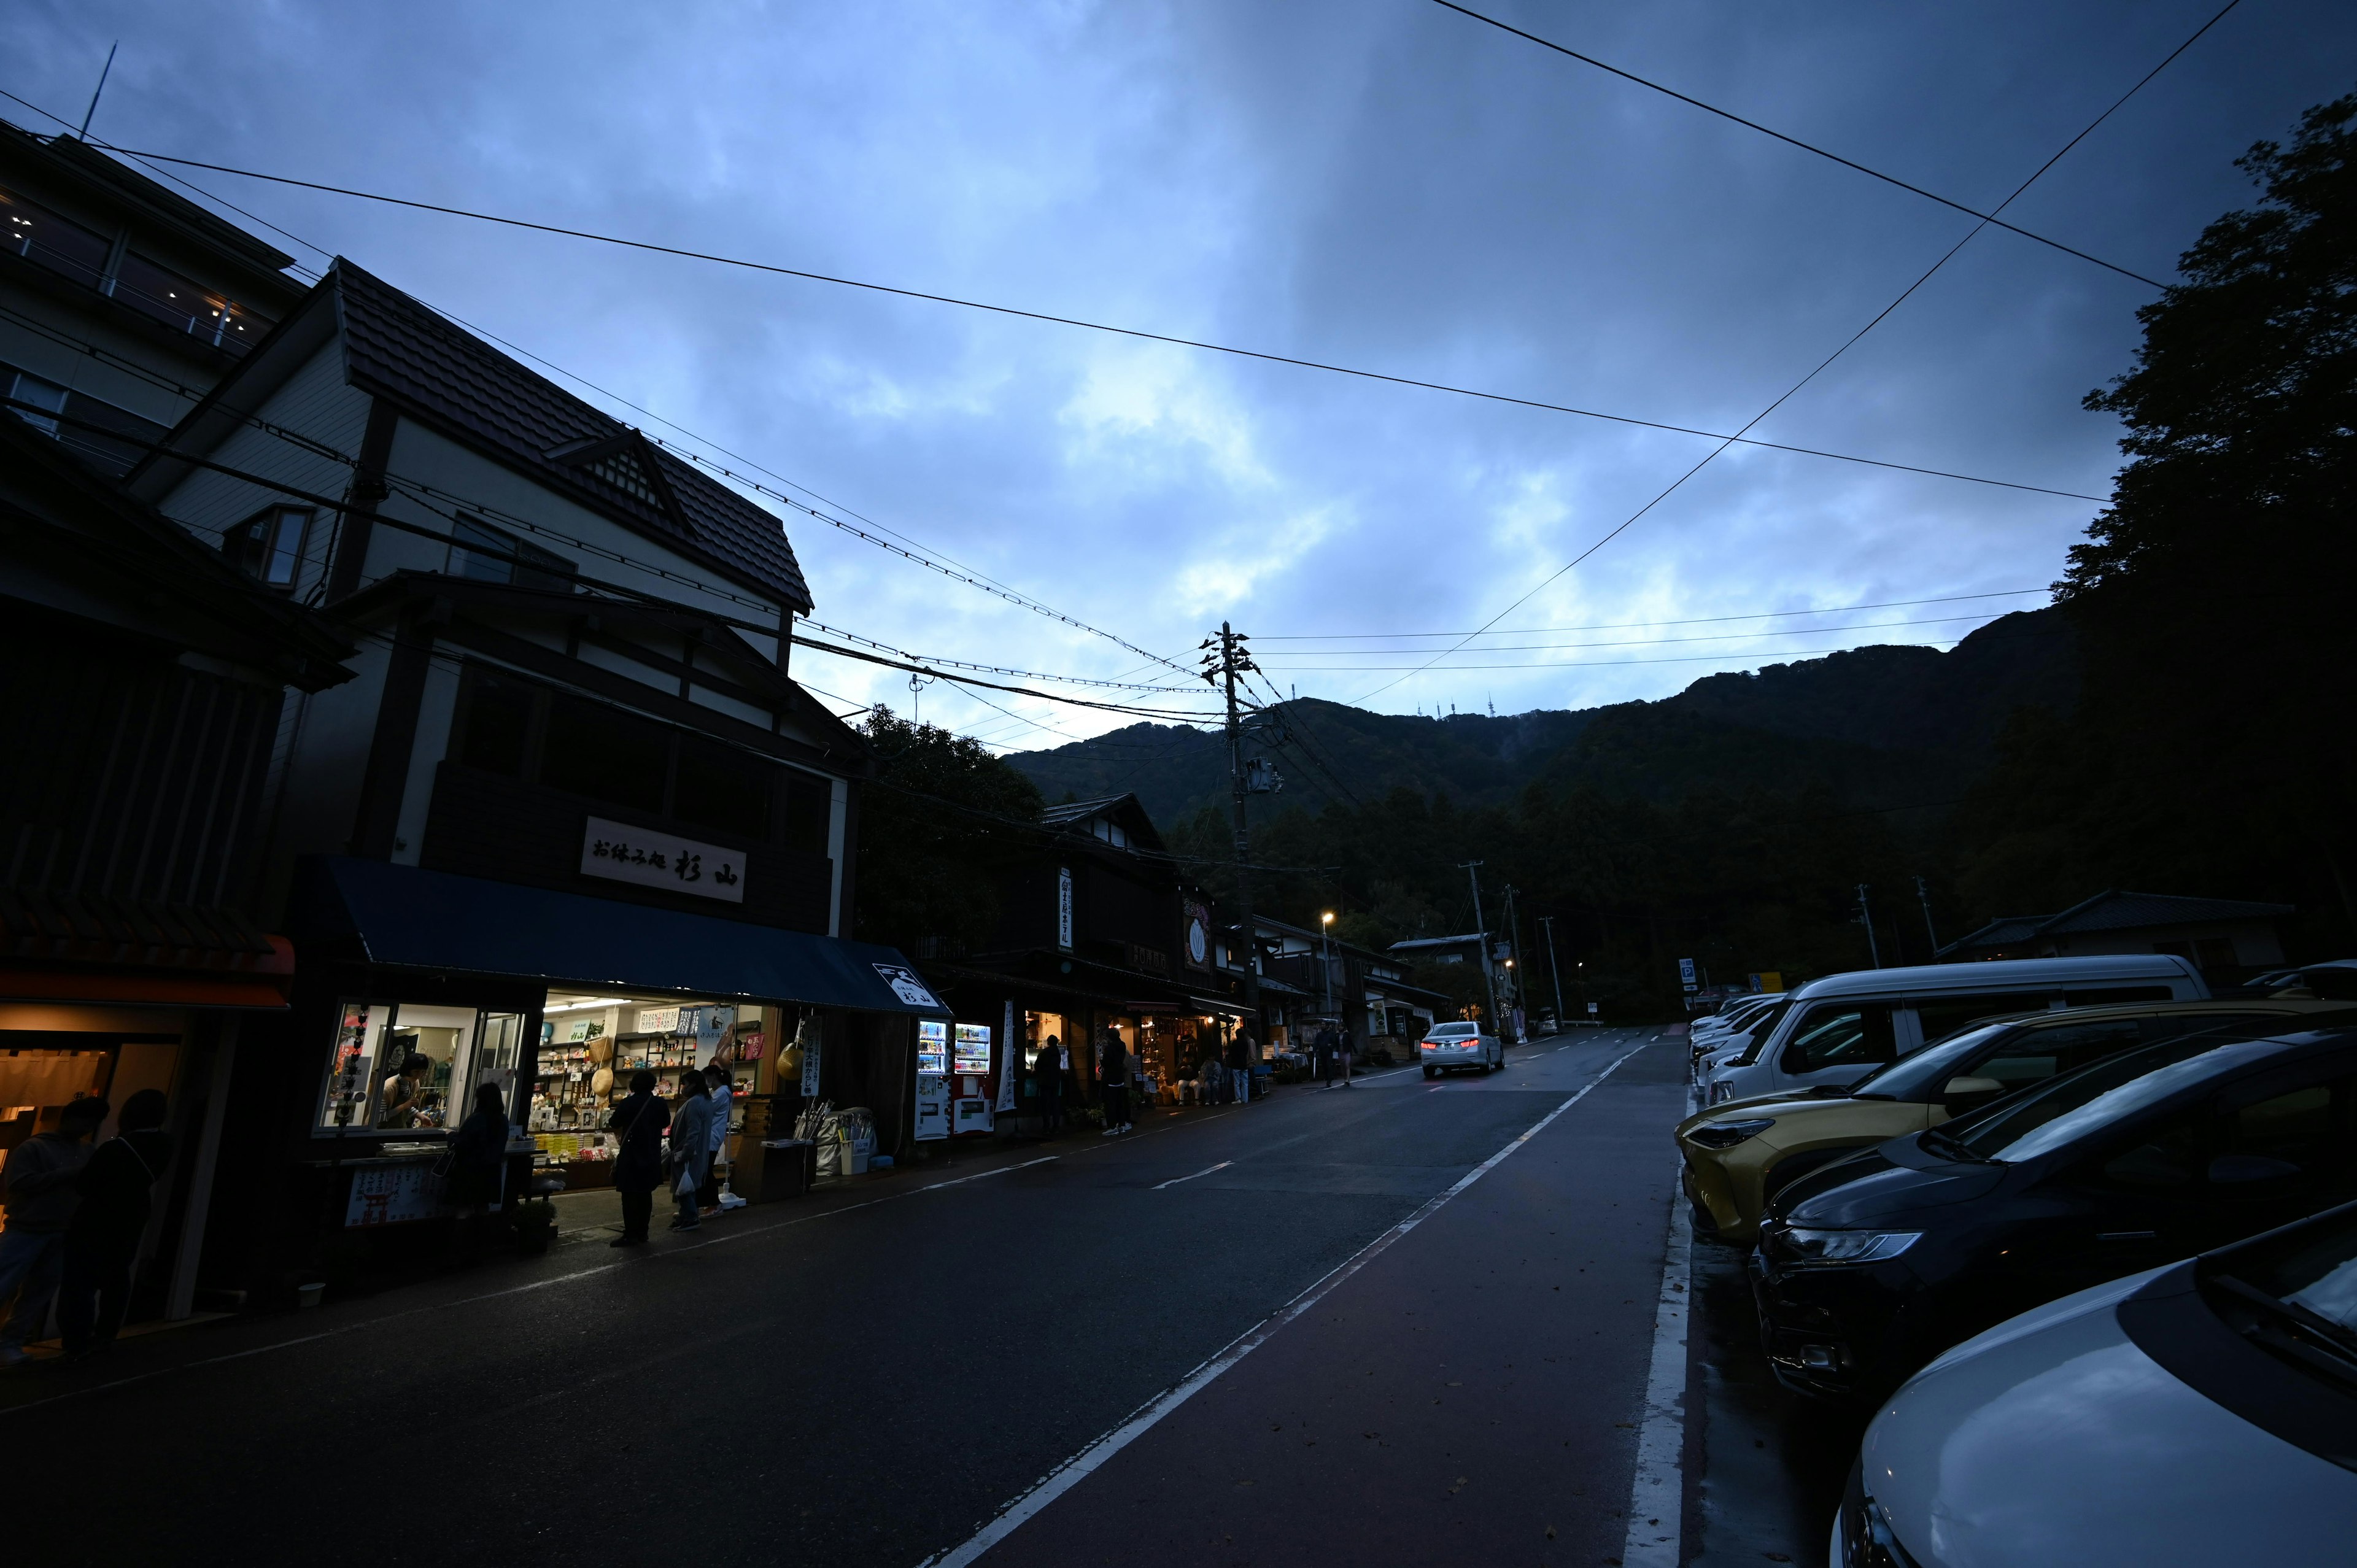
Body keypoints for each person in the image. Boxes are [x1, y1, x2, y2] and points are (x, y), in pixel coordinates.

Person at [58, 1091, 172, 1360]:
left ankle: (76, 1342)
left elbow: (85, 1185)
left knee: (79, 1282)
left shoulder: (115, 1148)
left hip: (95, 1221)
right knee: (117, 1277)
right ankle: (105, 1334)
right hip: (132, 1218)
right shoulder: (165, 1143)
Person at [0, 1095, 105, 1368]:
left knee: (38, 1292)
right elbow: (18, 1183)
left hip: (60, 1230)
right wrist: (70, 1176)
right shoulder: (34, 1148)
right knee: (7, 1284)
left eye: (93, 1122)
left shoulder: (88, 1151)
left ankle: (9, 1344)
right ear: (68, 1118)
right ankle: (9, 1344)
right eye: (85, 1120)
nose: (87, 1126)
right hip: (26, 1228)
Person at [444, 1081, 509, 1262]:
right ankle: (482, 1250)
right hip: (491, 1172)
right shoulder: (502, 1119)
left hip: (471, 1171)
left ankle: (457, 1254)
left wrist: (450, 1134)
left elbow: (461, 1144)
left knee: (463, 1210)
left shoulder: (477, 1118)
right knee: (483, 1208)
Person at [608, 1072, 669, 1246]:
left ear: (634, 1085)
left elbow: (614, 1122)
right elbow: (665, 1123)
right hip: (651, 1153)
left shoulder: (628, 1103)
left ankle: (630, 1234)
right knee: (645, 1194)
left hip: (631, 1154)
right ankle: (643, 1232)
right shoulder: (659, 1103)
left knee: (629, 1196)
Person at [666, 1068, 713, 1231]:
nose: (683, 1088)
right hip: (698, 1152)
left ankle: (691, 1217)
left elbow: (693, 1132)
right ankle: (685, 1214)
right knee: (688, 1185)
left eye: (684, 1084)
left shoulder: (694, 1103)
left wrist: (685, 1153)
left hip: (688, 1153)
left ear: (693, 1085)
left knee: (684, 1186)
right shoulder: (706, 1101)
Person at [698, 1064, 732, 1215]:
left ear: (712, 1077)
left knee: (706, 1170)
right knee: (704, 1170)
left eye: (705, 1078)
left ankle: (714, 1203)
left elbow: (705, 1109)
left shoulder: (722, 1093)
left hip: (712, 1137)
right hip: (710, 1135)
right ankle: (708, 1203)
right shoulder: (717, 1092)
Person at [378, 1053, 431, 1128]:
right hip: (381, 1130)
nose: (419, 1076)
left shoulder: (414, 1083)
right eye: (416, 1072)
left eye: (422, 1072)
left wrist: (421, 1116)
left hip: (399, 1129)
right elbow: (378, 1117)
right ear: (407, 1069)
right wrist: (404, 1106)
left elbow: (407, 1108)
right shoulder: (389, 1088)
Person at [1099, 1031, 1131, 1136]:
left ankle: (1112, 1127)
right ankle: (1121, 1125)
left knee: (1110, 1104)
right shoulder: (1122, 1047)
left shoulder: (1109, 1049)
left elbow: (1107, 1063)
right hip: (1120, 1078)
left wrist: (1101, 1059)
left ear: (1110, 1038)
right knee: (1120, 1103)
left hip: (1111, 1079)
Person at [1035, 1035, 1065, 1136]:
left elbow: (1037, 1066)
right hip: (1055, 1081)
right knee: (1055, 1104)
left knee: (1046, 1105)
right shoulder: (1057, 1053)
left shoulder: (1044, 1053)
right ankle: (1056, 1126)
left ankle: (1046, 1127)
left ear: (1048, 1042)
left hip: (1045, 1082)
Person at [1228, 1028, 1253, 1106]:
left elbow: (1231, 1053)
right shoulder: (1246, 1043)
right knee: (1245, 1083)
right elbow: (1246, 1053)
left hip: (1236, 1065)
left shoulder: (1235, 1043)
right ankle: (1245, 1099)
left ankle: (1238, 1098)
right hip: (1244, 1065)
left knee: (1237, 1083)